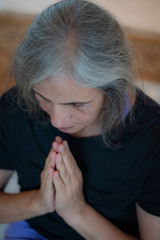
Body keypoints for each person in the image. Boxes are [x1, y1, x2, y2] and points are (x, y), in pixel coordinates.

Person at [0, 0, 160, 239]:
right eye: (42, 97)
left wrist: (76, 212)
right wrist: (41, 202)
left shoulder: (153, 137)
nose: (56, 120)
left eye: (76, 104)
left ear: (113, 88)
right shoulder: (16, 105)